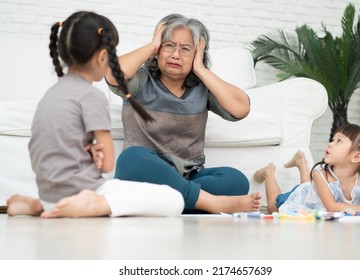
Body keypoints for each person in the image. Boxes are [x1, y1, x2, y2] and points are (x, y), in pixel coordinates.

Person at [6, 11, 184, 218]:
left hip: (49, 193)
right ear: (102, 57)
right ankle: (93, 206)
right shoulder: (92, 97)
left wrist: (87, 152)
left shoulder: (50, 95)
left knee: (106, 192)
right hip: (84, 192)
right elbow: (108, 165)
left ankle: (39, 205)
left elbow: (51, 147)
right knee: (174, 199)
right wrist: (97, 158)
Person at [105, 13, 261, 214]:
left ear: (197, 55)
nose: (175, 54)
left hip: (188, 176)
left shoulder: (201, 89)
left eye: (185, 49)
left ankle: (174, 202)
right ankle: (208, 203)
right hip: (146, 175)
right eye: (169, 45)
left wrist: (201, 70)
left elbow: (241, 108)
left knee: (236, 180)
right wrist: (152, 46)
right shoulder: (141, 80)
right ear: (159, 50)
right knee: (131, 158)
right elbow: (111, 73)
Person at [254, 123, 360, 214]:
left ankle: (301, 162)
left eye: (339, 141)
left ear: (356, 157)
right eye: (333, 139)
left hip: (314, 196)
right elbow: (332, 207)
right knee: (273, 207)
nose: (330, 144)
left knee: (309, 186)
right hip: (304, 199)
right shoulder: (320, 173)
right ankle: (269, 172)